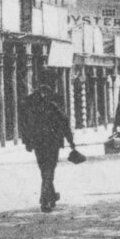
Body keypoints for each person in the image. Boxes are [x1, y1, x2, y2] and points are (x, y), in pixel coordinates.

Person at [21, 83, 76, 212]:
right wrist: (70, 140)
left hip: (38, 142)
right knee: (49, 170)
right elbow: (64, 121)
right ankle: (45, 199)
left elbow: (25, 123)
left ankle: (51, 195)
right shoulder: (54, 101)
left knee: (44, 169)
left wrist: (27, 142)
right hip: (52, 141)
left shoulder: (30, 102)